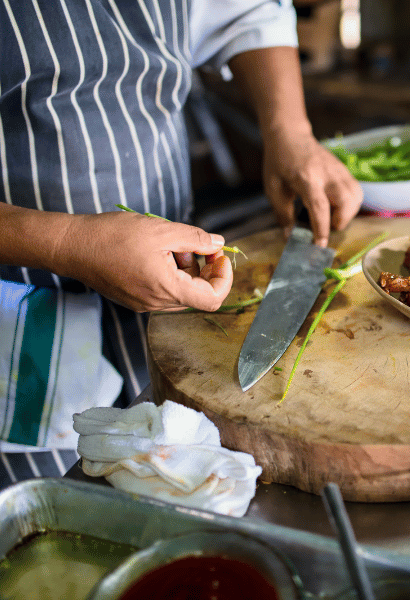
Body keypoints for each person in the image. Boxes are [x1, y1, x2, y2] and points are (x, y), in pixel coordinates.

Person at [0, 0, 363, 489]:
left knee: (174, 470)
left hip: (173, 299)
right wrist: (66, 241)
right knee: (60, 506)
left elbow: (248, 12)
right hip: (22, 326)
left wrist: (291, 131)